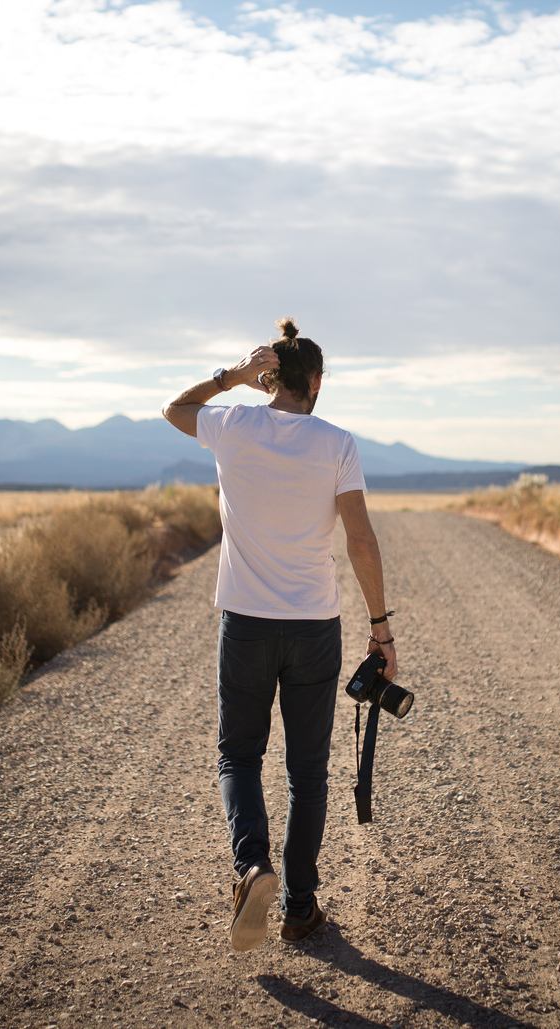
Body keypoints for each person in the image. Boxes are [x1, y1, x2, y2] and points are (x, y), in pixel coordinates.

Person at [161, 317, 398, 951]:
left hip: (245, 622)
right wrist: (380, 630)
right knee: (308, 771)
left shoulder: (233, 425)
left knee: (238, 754)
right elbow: (360, 539)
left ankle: (251, 868)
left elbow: (175, 409)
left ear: (273, 377)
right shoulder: (338, 442)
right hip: (314, 627)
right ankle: (298, 906)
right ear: (315, 382)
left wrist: (232, 377)